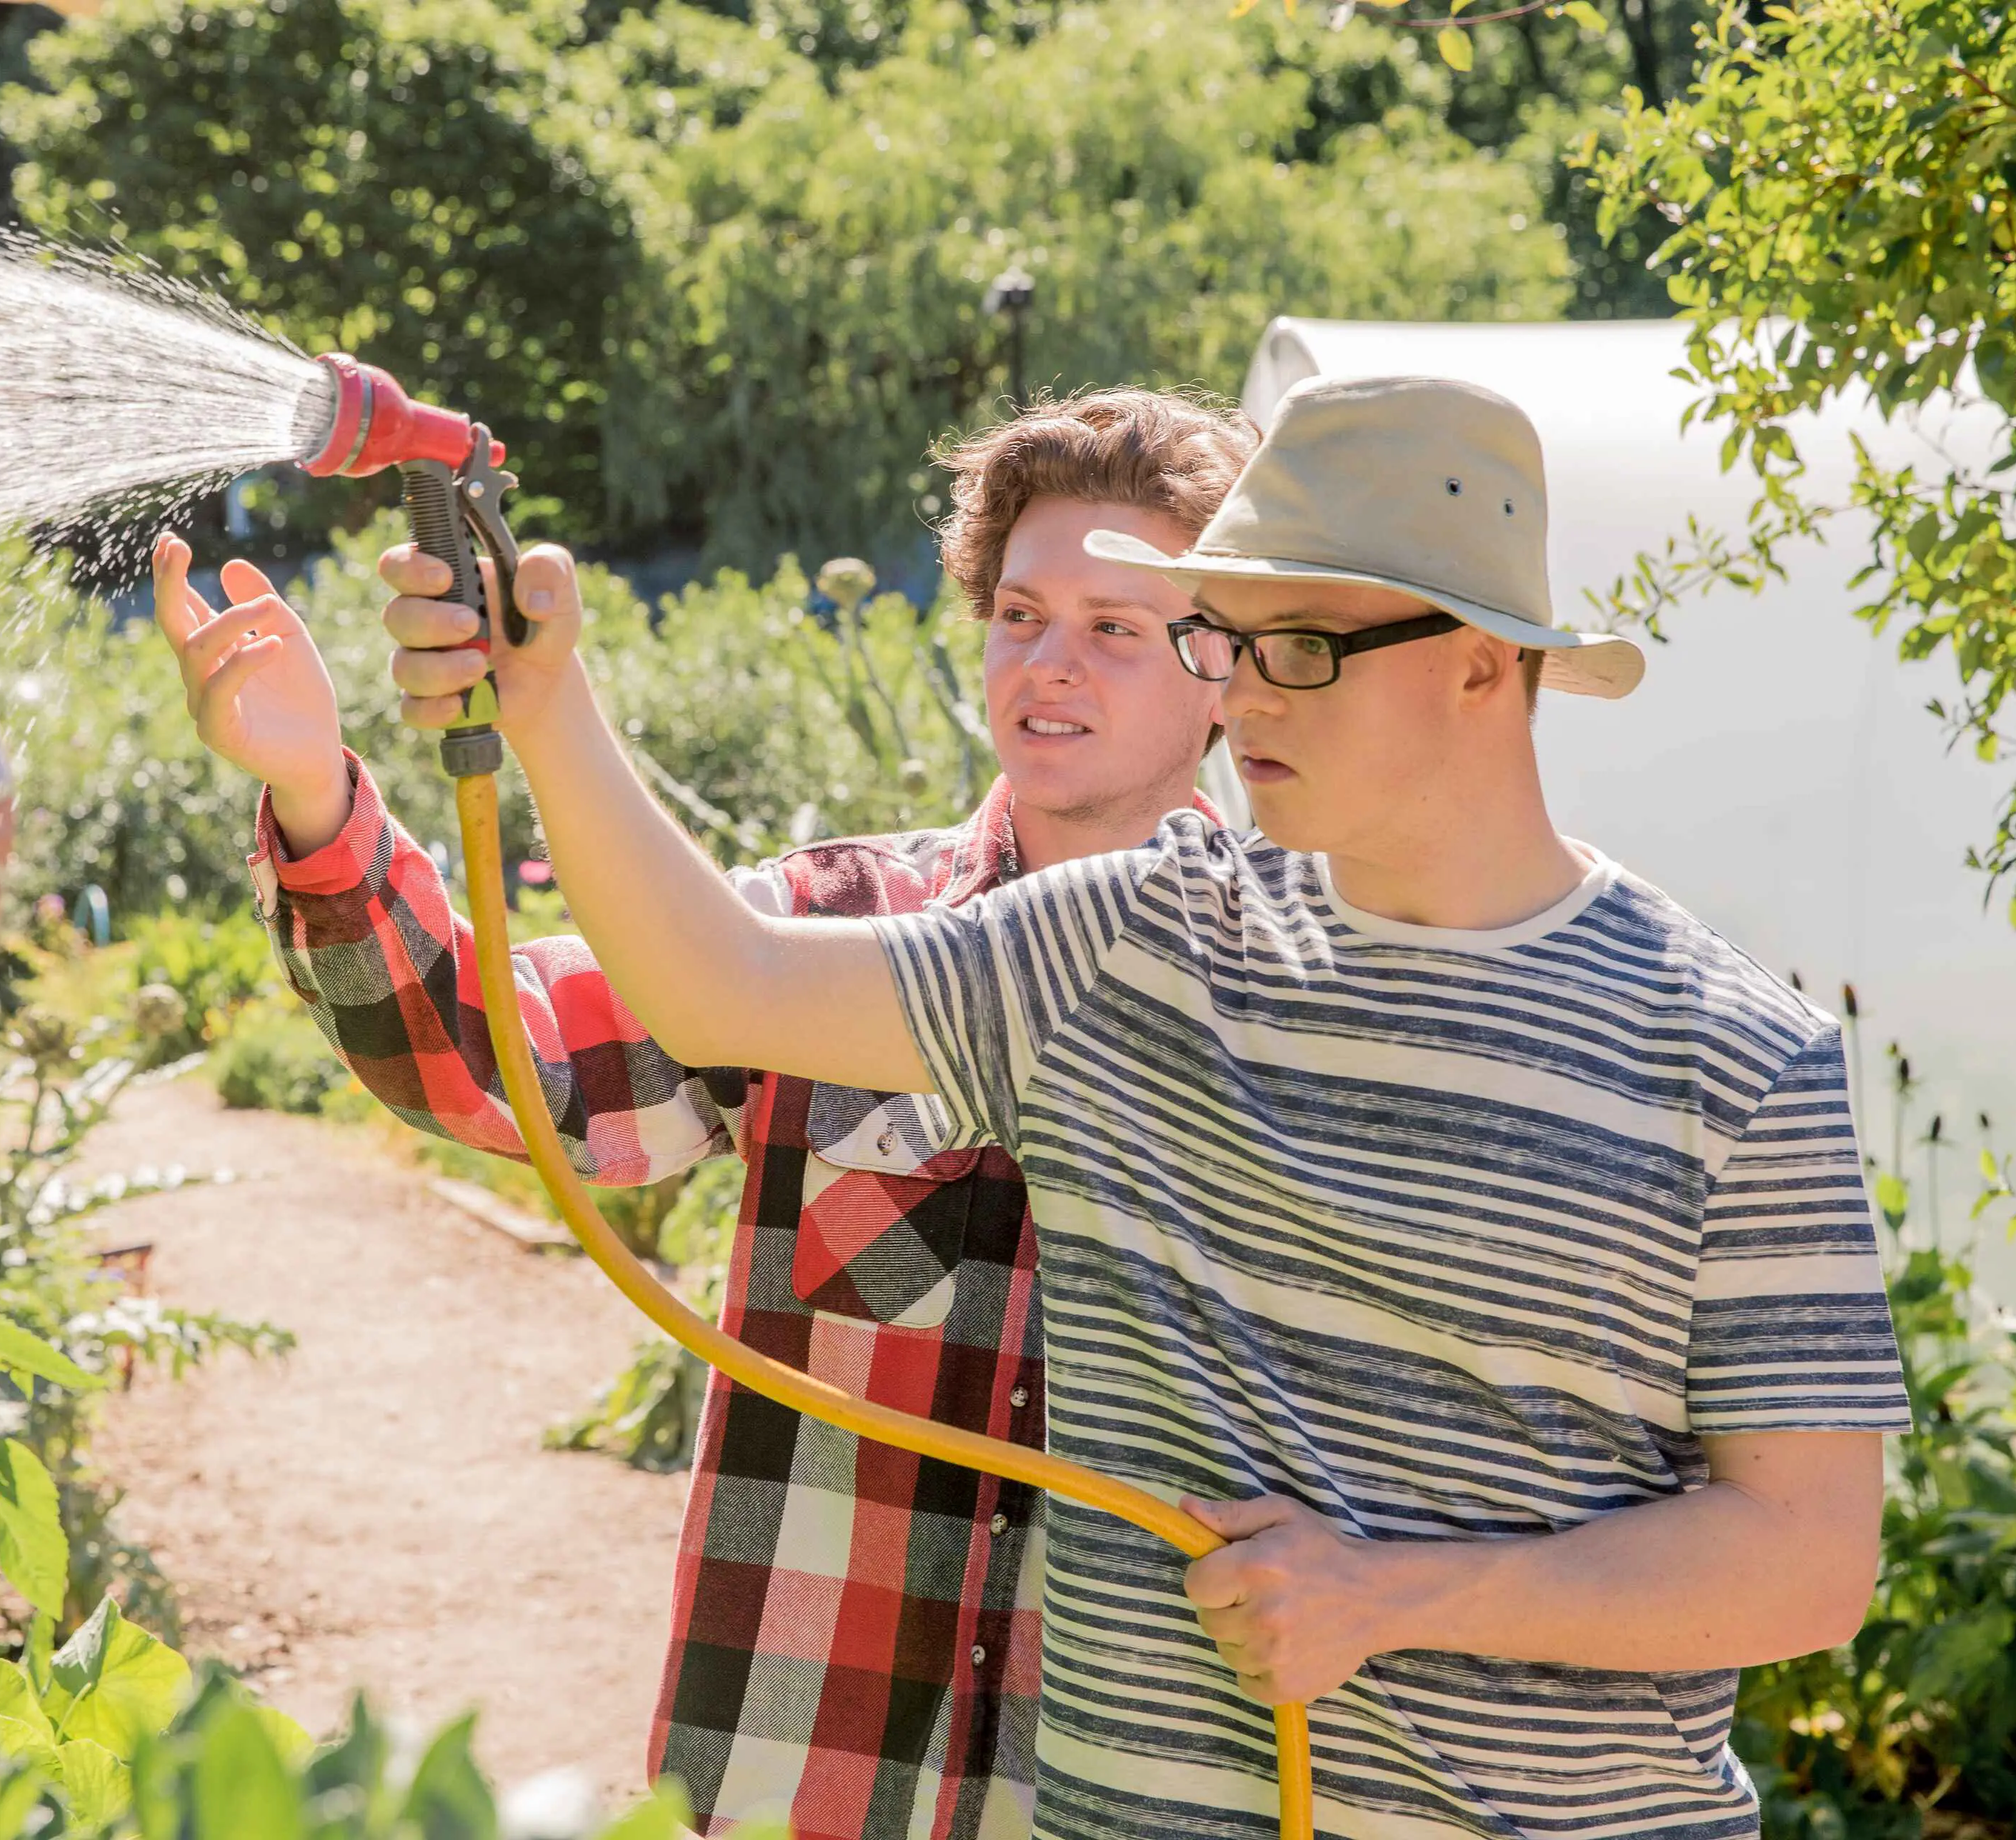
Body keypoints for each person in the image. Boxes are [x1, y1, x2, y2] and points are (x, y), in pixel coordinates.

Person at [347, 374, 1909, 1838]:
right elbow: (722, 982)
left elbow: (1807, 1560)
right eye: (1226, 639)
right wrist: (547, 703)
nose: (1241, 697)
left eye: (1297, 646)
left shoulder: (1736, 1054)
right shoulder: (1147, 941)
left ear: (1484, 667)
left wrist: (1400, 1593)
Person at [152, 388, 1259, 1840]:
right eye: (1020, 615)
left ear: (1231, 669)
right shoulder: (820, 937)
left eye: (1115, 628)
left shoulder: (1289, 1012)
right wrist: (314, 788)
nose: (1049, 665)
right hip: (808, 1785)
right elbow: (503, 1059)